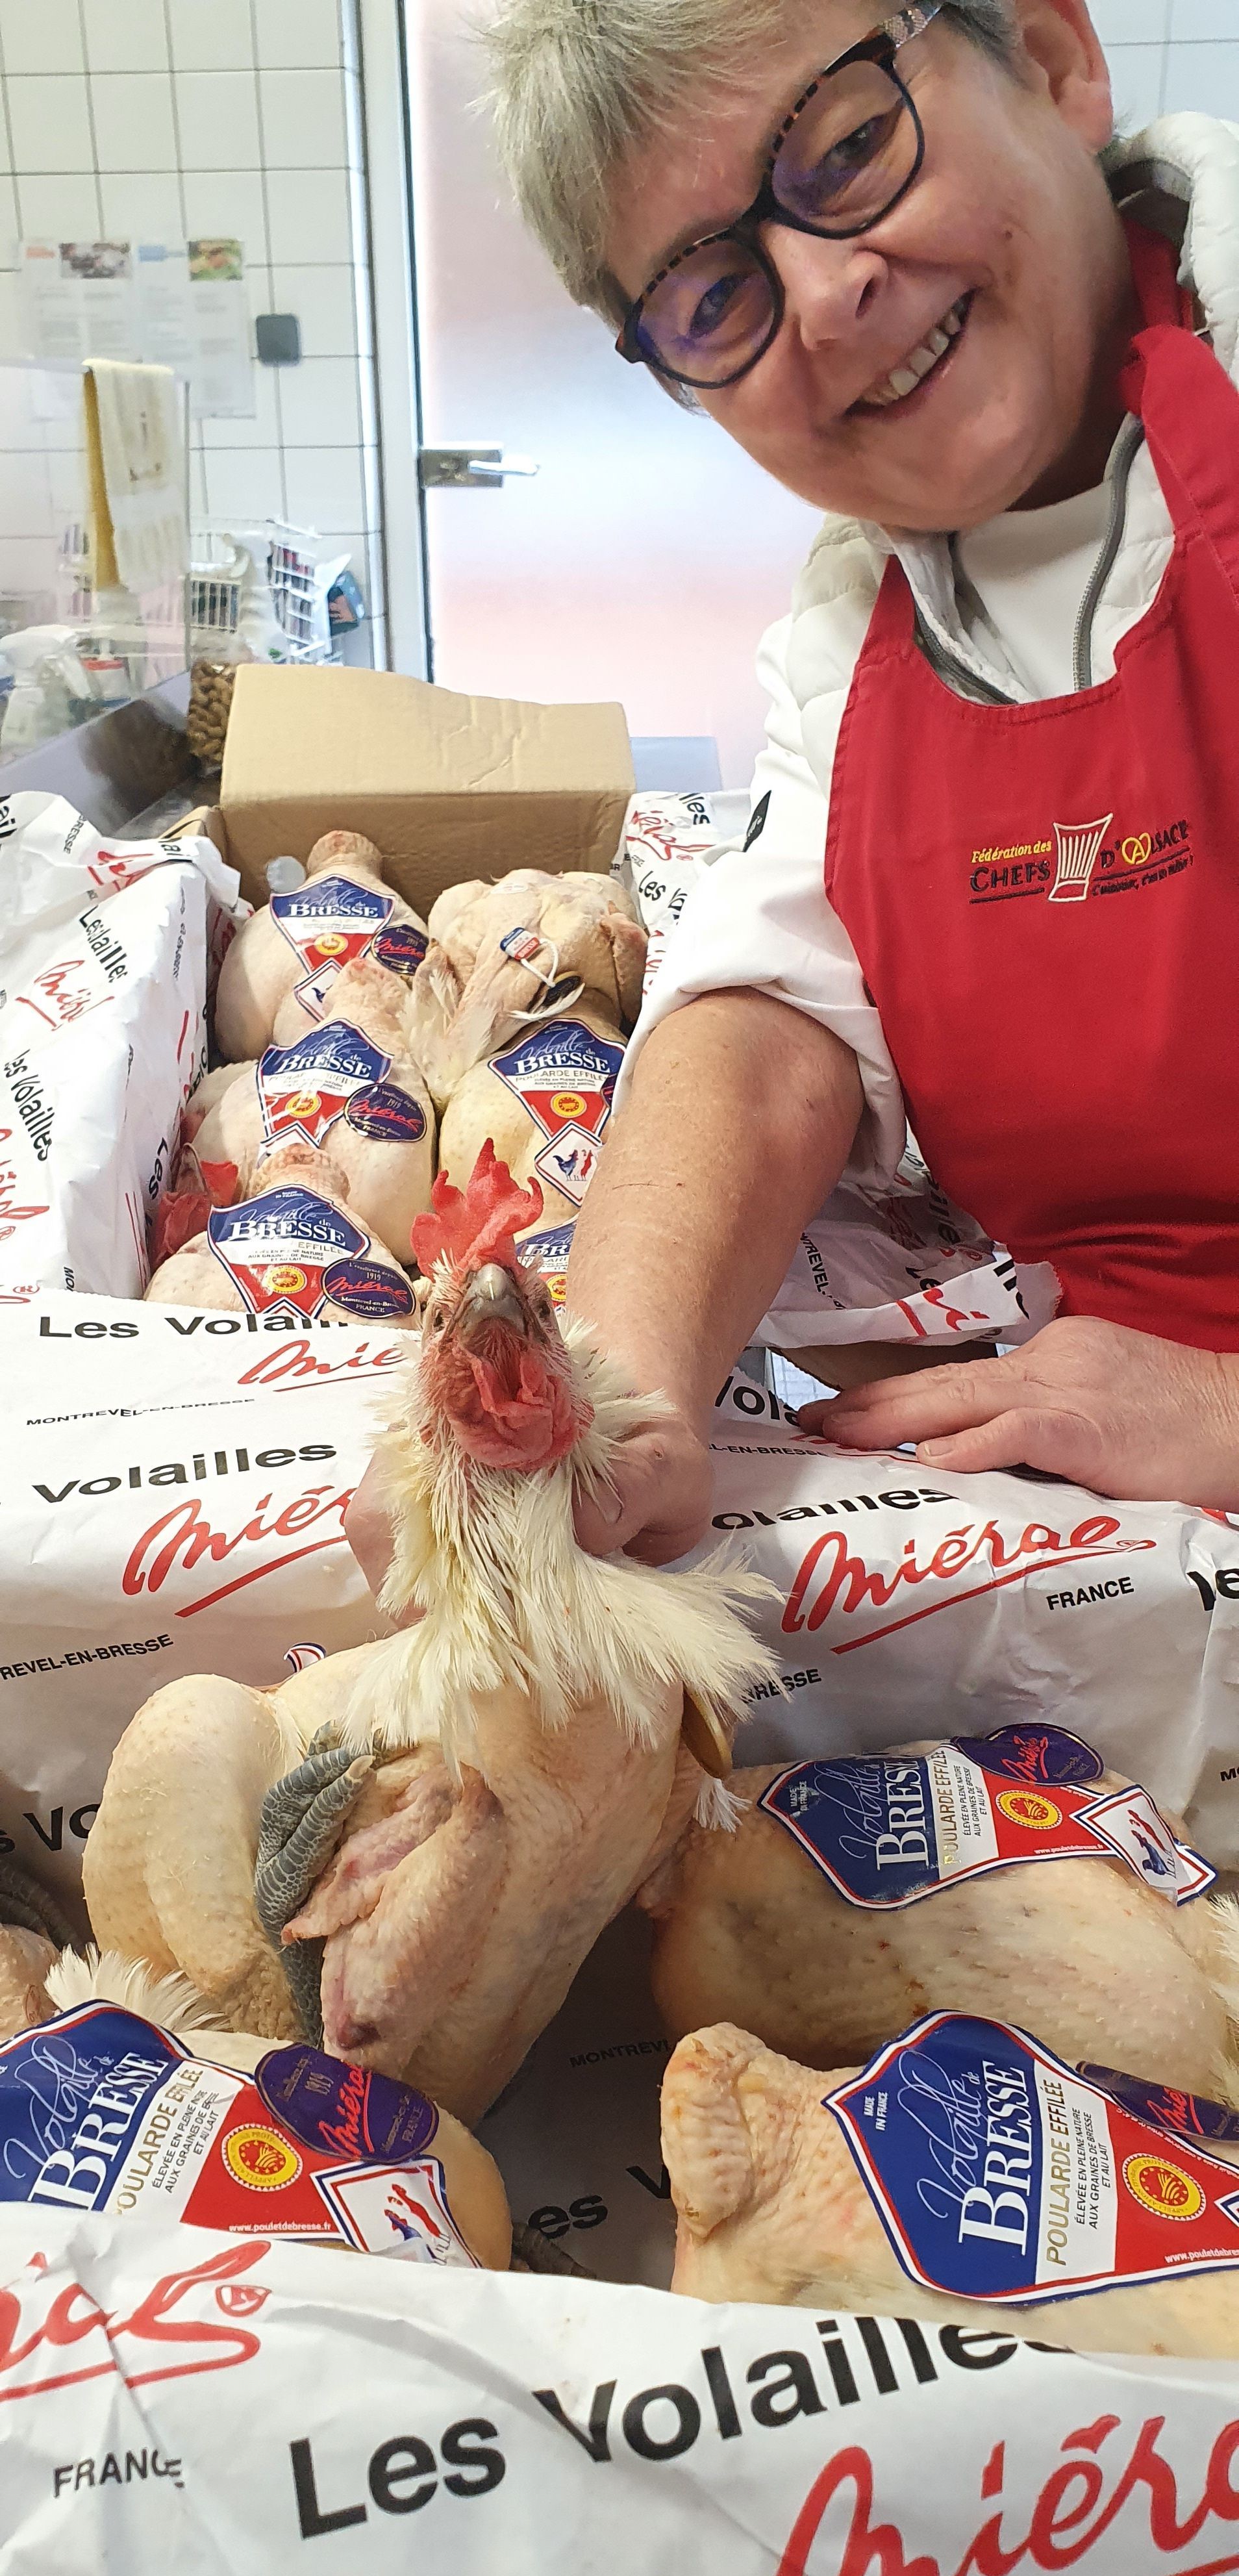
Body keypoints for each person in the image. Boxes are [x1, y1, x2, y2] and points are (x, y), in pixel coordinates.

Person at [349, 3, 1239, 1598]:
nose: (827, 298)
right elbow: (763, 1038)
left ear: (1051, 58)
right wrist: (601, 1405)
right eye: (714, 295)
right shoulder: (856, 642)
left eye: (848, 149)